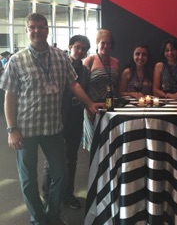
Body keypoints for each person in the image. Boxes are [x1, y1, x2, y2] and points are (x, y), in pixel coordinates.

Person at [0, 13, 102, 225]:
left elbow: (73, 84)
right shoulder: (16, 61)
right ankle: (39, 218)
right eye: (32, 27)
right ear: (27, 31)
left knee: (61, 174)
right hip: (25, 129)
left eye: (41, 26)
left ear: (47, 29)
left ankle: (52, 213)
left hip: (54, 127)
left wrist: (89, 103)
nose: (36, 31)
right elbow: (10, 96)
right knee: (28, 180)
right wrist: (11, 129)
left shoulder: (60, 57)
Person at [42, 35, 91, 210]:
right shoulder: (59, 66)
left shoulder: (85, 71)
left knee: (72, 158)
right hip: (58, 116)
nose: (80, 51)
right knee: (53, 159)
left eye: (84, 48)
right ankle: (48, 195)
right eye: (77, 47)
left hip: (76, 118)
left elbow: (85, 93)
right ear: (70, 47)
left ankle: (68, 193)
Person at [82, 29, 119, 151]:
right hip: (94, 107)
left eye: (108, 43)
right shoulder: (90, 60)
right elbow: (82, 85)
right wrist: (88, 105)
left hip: (110, 107)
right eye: (103, 42)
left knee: (109, 142)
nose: (106, 46)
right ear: (97, 43)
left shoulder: (116, 62)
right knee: (95, 144)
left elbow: (116, 85)